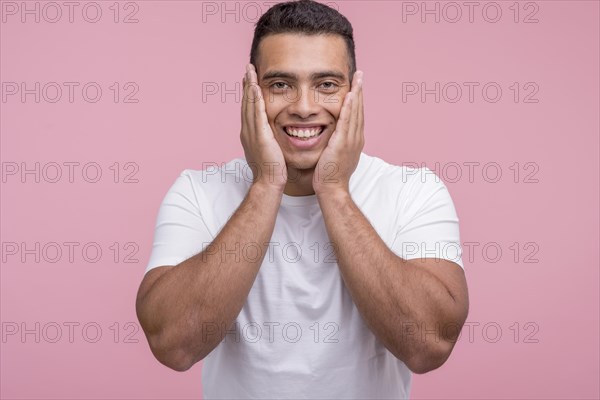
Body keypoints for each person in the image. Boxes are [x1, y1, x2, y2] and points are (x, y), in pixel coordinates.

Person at [136, 0, 469, 398]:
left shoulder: (413, 191)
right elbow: (173, 345)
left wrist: (335, 191)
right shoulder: (197, 192)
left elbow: (429, 345)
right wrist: (266, 184)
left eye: (326, 84)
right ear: (251, 92)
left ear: (354, 93)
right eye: (281, 85)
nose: (304, 108)